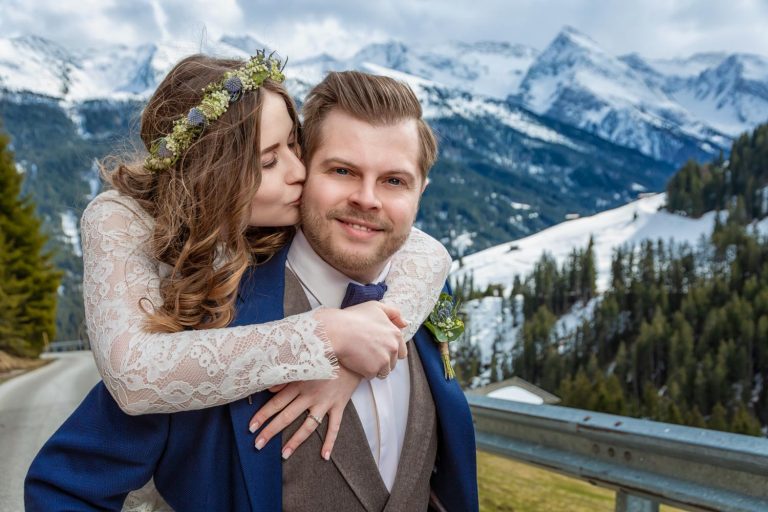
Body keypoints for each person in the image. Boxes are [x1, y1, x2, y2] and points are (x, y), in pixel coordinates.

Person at [26, 59, 478, 512]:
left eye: (395, 181)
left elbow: (428, 250)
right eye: (340, 171)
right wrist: (325, 337)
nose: (367, 199)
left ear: (422, 189)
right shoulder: (201, 324)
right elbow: (66, 484)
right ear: (217, 178)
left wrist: (367, 348)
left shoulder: (416, 284)